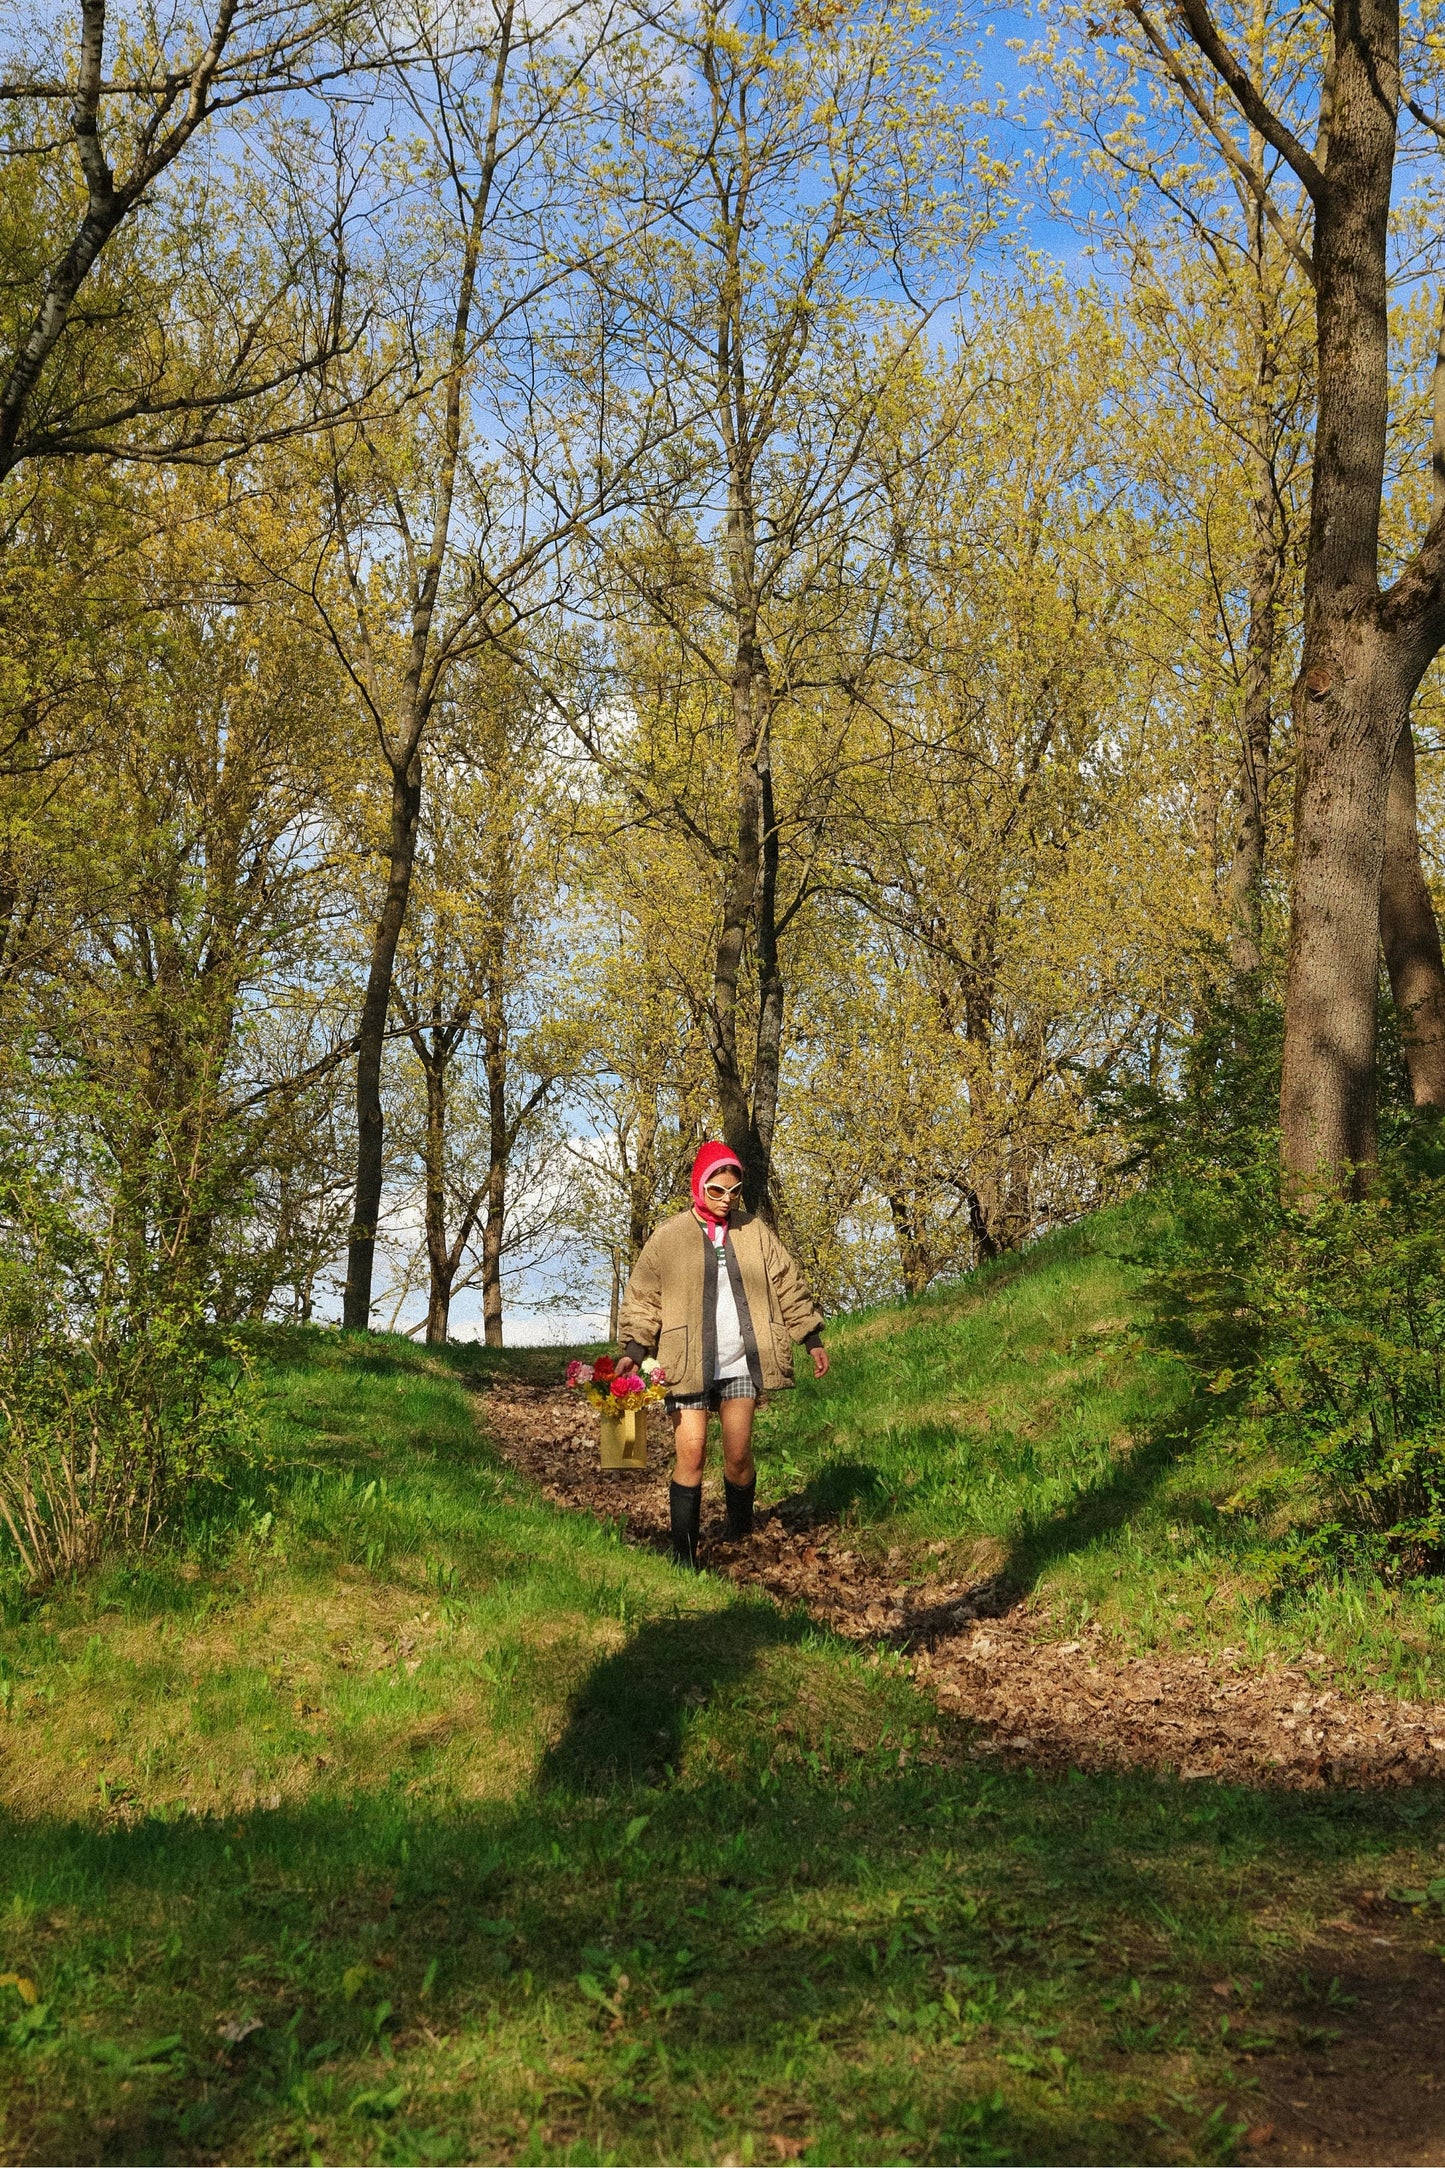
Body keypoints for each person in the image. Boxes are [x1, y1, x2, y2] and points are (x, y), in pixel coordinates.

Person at [615, 1142, 829, 1567]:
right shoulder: (668, 1237)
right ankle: (684, 1557)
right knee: (692, 1453)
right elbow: (643, 1299)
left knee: (738, 1456)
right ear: (698, 1186)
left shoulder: (755, 1232)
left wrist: (810, 1338)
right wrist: (635, 1349)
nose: (726, 1199)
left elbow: (787, 1283)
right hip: (685, 1363)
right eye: (716, 1190)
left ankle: (739, 1533)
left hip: (741, 1361)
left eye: (734, 1191)